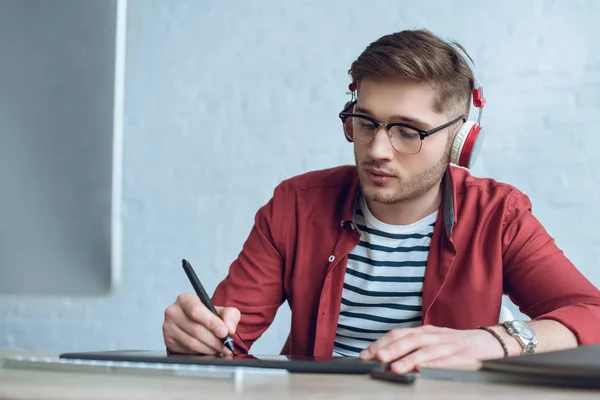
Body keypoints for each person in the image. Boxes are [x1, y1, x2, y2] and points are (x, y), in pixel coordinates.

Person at [162, 28, 600, 374]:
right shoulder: (295, 205)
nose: (377, 150)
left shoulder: (498, 215)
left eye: (408, 131)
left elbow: (592, 316)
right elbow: (226, 340)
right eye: (366, 122)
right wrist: (195, 336)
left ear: (459, 141)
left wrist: (491, 341)